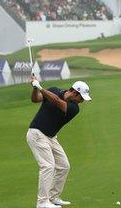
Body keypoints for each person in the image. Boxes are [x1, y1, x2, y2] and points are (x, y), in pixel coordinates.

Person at [26, 78, 92, 208]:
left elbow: (56, 101)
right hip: (36, 134)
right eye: (82, 98)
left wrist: (40, 87)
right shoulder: (54, 90)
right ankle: (42, 202)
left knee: (64, 166)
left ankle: (52, 197)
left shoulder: (74, 108)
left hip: (51, 137)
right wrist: (35, 88)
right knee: (48, 166)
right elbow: (35, 99)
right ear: (75, 93)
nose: (82, 101)